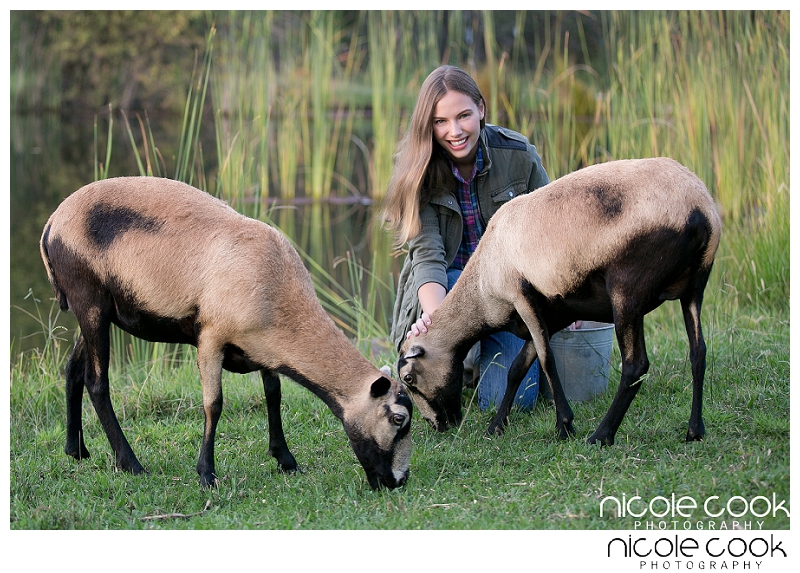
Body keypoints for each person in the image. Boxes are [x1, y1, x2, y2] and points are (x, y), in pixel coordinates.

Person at [381, 65, 550, 412]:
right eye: (440, 121)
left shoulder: (518, 156)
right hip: (448, 292)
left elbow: (553, 234)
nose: (454, 131)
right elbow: (427, 258)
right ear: (429, 125)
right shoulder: (419, 171)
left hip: (511, 297)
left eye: (463, 116)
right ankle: (457, 354)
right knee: (460, 282)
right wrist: (435, 321)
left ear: (481, 109)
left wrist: (564, 296)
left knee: (508, 404)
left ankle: (478, 360)